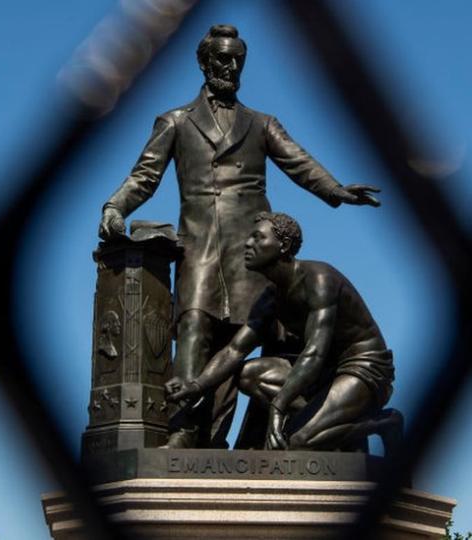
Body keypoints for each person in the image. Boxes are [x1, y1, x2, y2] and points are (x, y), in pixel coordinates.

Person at [98, 25, 381, 448]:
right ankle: (184, 433)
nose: (233, 67)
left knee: (246, 342)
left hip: (252, 252)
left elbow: (298, 162)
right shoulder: (175, 121)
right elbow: (145, 175)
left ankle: (248, 438)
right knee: (193, 328)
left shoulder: (261, 123)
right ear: (205, 62)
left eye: (239, 60)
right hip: (200, 247)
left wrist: (335, 189)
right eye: (224, 59)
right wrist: (116, 206)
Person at [166, 212, 401, 453]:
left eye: (258, 238)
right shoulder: (270, 297)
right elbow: (234, 351)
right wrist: (195, 385)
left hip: (363, 368)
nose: (248, 244)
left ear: (284, 245)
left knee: (296, 441)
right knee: (248, 373)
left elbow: (314, 352)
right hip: (320, 374)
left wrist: (278, 407)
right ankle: (325, 420)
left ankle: (383, 423)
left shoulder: (319, 280)